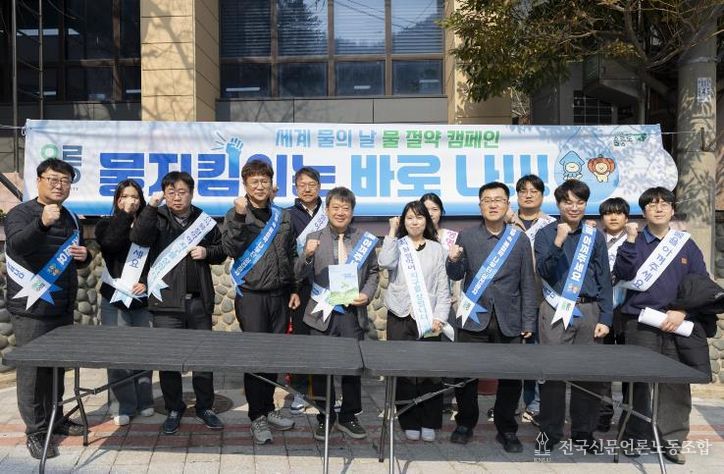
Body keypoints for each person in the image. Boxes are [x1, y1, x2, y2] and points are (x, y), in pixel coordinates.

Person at [614, 187, 708, 465]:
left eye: (664, 204)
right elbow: (622, 274)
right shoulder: (633, 241)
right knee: (638, 383)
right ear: (643, 211)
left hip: (676, 321)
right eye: (652, 205)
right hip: (640, 322)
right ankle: (633, 437)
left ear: (672, 210)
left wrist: (682, 311)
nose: (658, 208)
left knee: (675, 383)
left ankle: (672, 441)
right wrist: (630, 241)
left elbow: (700, 282)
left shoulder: (685, 244)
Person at [4, 158, 90, 459]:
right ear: (39, 180)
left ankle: (57, 418)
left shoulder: (72, 218)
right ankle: (36, 431)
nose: (59, 185)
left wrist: (85, 257)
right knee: (32, 373)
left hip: (61, 306)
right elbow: (17, 245)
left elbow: (74, 259)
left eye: (65, 180)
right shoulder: (20, 213)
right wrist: (41, 223)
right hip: (31, 307)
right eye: (53, 179)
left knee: (56, 368)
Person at [130, 171, 226, 435]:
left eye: (182, 192)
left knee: (203, 359)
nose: (176, 197)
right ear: (164, 194)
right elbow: (138, 238)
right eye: (170, 192)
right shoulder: (157, 217)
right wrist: (151, 207)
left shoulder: (203, 221)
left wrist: (207, 252)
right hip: (166, 303)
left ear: (191, 193)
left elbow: (221, 251)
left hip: (198, 302)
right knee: (169, 359)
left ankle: (205, 407)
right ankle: (174, 408)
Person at [446, 182, 536, 452]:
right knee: (465, 375)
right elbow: (456, 274)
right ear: (480, 206)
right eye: (487, 200)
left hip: (510, 319)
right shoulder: (467, 236)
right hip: (474, 318)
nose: (493, 204)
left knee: (511, 378)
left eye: (499, 200)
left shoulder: (519, 239)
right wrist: (453, 260)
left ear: (508, 205)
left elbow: (528, 283)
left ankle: (507, 428)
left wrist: (528, 321)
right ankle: (465, 423)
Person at [222, 160, 300, 445]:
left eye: (264, 181)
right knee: (256, 356)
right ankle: (256, 416)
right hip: (252, 296)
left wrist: (293, 288)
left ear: (271, 184)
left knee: (273, 356)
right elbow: (230, 248)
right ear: (245, 185)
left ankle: (267, 409)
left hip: (279, 295)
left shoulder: (283, 216)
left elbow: (291, 253)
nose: (259, 186)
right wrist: (240, 217)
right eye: (254, 181)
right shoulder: (235, 214)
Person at [295, 187, 379, 442]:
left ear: (352, 211)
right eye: (336, 207)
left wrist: (367, 294)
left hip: (351, 313)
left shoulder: (364, 239)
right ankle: (325, 416)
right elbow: (297, 273)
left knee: (352, 367)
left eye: (346, 208)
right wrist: (307, 255)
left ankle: (349, 416)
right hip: (321, 313)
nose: (341, 212)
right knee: (322, 368)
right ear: (327, 209)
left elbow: (373, 272)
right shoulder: (314, 237)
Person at [534, 179, 612, 452]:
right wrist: (559, 241)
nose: (574, 207)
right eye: (568, 202)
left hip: (589, 309)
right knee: (552, 373)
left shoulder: (594, 236)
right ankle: (550, 433)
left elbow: (604, 278)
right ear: (558, 204)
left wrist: (606, 318)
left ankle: (583, 432)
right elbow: (543, 271)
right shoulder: (545, 234)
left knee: (588, 374)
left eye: (580, 202)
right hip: (555, 308)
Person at [378, 201, 451, 442]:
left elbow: (443, 287)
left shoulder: (437, 249)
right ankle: (408, 419)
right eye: (409, 218)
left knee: (430, 371)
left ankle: (430, 421)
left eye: (419, 217)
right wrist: (391, 231)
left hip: (428, 319)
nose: (414, 222)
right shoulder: (397, 245)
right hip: (399, 316)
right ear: (403, 221)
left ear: (426, 221)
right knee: (403, 371)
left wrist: (440, 317)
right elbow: (385, 263)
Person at [95, 179, 154, 426]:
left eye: (135, 197)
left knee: (144, 352)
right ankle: (122, 405)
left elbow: (156, 257)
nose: (131, 200)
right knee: (118, 352)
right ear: (117, 200)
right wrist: (124, 215)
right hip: (114, 297)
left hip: (141, 299)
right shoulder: (105, 224)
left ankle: (145, 400)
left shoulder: (149, 225)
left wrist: (147, 282)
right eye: (125, 196)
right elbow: (110, 243)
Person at [505, 174, 556, 425]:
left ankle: (534, 404)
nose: (528, 195)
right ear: (516, 195)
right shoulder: (505, 223)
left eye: (534, 191)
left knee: (537, 354)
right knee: (511, 354)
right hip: (510, 300)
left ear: (542, 195)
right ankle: (508, 405)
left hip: (542, 299)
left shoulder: (552, 225)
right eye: (523, 191)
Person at [286, 167, 326, 415]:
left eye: (312, 184)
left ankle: (326, 392)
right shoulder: (288, 216)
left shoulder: (330, 211)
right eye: (302, 184)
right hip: (301, 287)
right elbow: (287, 253)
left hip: (327, 286)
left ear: (319, 187)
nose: (307, 189)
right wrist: (292, 288)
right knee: (300, 340)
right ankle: (299, 391)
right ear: (296, 188)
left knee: (325, 340)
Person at [596, 197, 630, 433]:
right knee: (603, 365)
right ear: (602, 218)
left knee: (630, 367)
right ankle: (603, 413)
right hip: (602, 310)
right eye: (609, 213)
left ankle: (630, 415)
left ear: (626, 217)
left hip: (628, 311)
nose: (614, 217)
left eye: (618, 213)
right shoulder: (594, 239)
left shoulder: (636, 241)